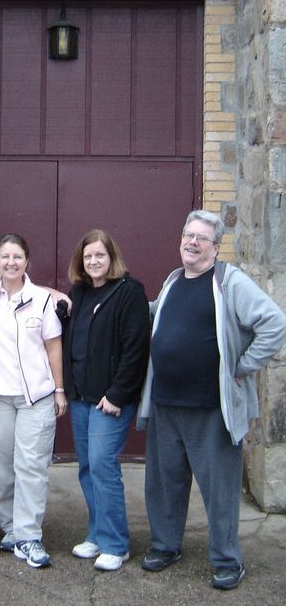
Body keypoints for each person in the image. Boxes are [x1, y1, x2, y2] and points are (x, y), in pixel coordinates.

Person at [138, 210, 286, 590]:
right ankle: (165, 545)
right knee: (163, 484)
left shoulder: (228, 281)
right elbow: (155, 319)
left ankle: (226, 560)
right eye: (188, 234)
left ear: (216, 247)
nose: (192, 242)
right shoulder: (173, 280)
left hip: (211, 410)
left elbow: (275, 322)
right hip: (166, 404)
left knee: (219, 490)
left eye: (202, 238)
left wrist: (243, 365)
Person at [62, 229, 150, 572]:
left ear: (111, 257)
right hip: (82, 397)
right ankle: (98, 533)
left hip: (110, 400)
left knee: (103, 465)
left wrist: (117, 393)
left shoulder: (129, 292)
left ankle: (116, 544)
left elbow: (136, 348)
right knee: (87, 467)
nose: (94, 261)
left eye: (99, 255)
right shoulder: (80, 293)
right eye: (88, 257)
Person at [0, 233, 67, 569]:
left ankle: (30, 535)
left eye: (17, 257)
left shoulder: (42, 300)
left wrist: (59, 390)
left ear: (27, 261)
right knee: (3, 467)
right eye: (5, 257)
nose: (11, 263)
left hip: (36, 398)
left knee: (31, 466)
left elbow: (53, 346)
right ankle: (11, 528)